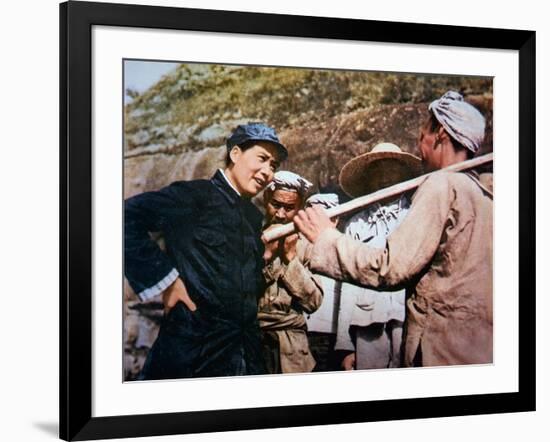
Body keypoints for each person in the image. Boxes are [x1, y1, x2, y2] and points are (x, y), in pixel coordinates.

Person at [294, 91, 493, 367]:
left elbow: (390, 267)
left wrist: (326, 239)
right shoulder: (488, 194)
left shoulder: (441, 185)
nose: (419, 146)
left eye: (423, 136)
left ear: (442, 135)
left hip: (442, 349)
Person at [124, 122, 287, 379]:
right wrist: (167, 281)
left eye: (273, 165)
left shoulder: (253, 217)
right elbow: (124, 217)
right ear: (235, 154)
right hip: (192, 355)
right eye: (262, 159)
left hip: (245, 355)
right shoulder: (193, 196)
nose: (268, 171)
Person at [335, 143, 422, 370]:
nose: (385, 178)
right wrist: (345, 345)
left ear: (403, 175)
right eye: (377, 171)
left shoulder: (417, 215)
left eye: (392, 170)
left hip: (409, 319)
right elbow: (347, 285)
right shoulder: (357, 224)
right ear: (368, 179)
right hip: (366, 322)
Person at [259, 171, 323, 374]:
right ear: (265, 199)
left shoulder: (309, 245)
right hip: (251, 343)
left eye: (289, 208)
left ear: (300, 208)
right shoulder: (249, 239)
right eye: (275, 205)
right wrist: (265, 257)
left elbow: (314, 302)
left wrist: (290, 258)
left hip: (293, 350)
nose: (280, 214)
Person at [302, 193, 342, 372]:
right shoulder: (297, 245)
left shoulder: (342, 248)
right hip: (300, 330)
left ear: (334, 221)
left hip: (328, 332)